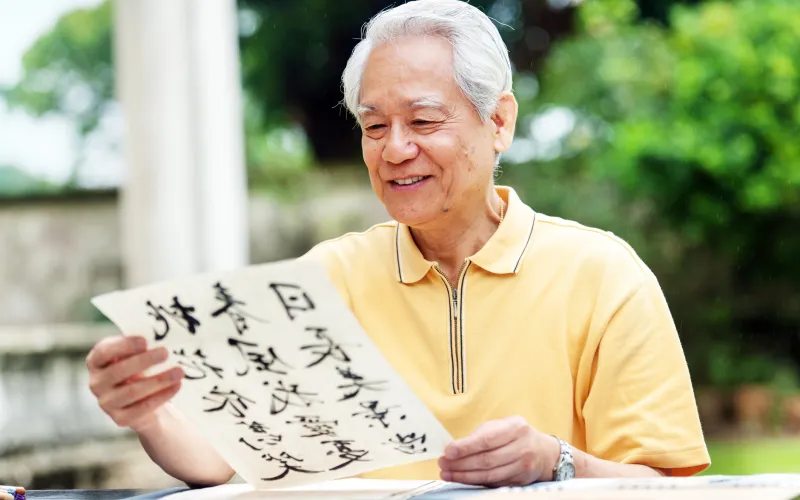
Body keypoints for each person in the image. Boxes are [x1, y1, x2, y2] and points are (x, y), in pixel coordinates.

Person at [85, 0, 710, 488]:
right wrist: (148, 411)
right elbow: (219, 457)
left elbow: (667, 486)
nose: (395, 149)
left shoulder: (602, 275)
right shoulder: (328, 277)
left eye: (423, 120)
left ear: (499, 122)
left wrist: (556, 462)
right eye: (374, 125)